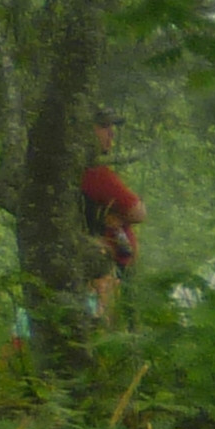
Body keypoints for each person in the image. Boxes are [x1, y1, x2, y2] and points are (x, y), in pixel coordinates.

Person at [79, 113, 142, 319]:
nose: (112, 134)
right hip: (103, 273)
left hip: (103, 270)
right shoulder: (94, 173)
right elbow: (139, 212)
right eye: (104, 126)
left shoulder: (88, 171)